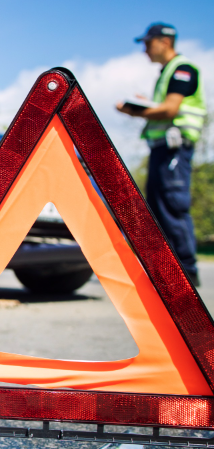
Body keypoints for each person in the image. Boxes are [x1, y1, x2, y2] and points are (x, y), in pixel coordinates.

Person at [117, 22, 207, 286]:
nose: (145, 49)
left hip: (174, 149)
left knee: (172, 206)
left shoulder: (182, 69)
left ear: (164, 42)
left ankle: (186, 273)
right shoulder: (167, 72)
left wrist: (136, 110)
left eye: (147, 43)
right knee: (158, 207)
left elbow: (170, 110)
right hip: (162, 150)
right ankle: (169, 271)